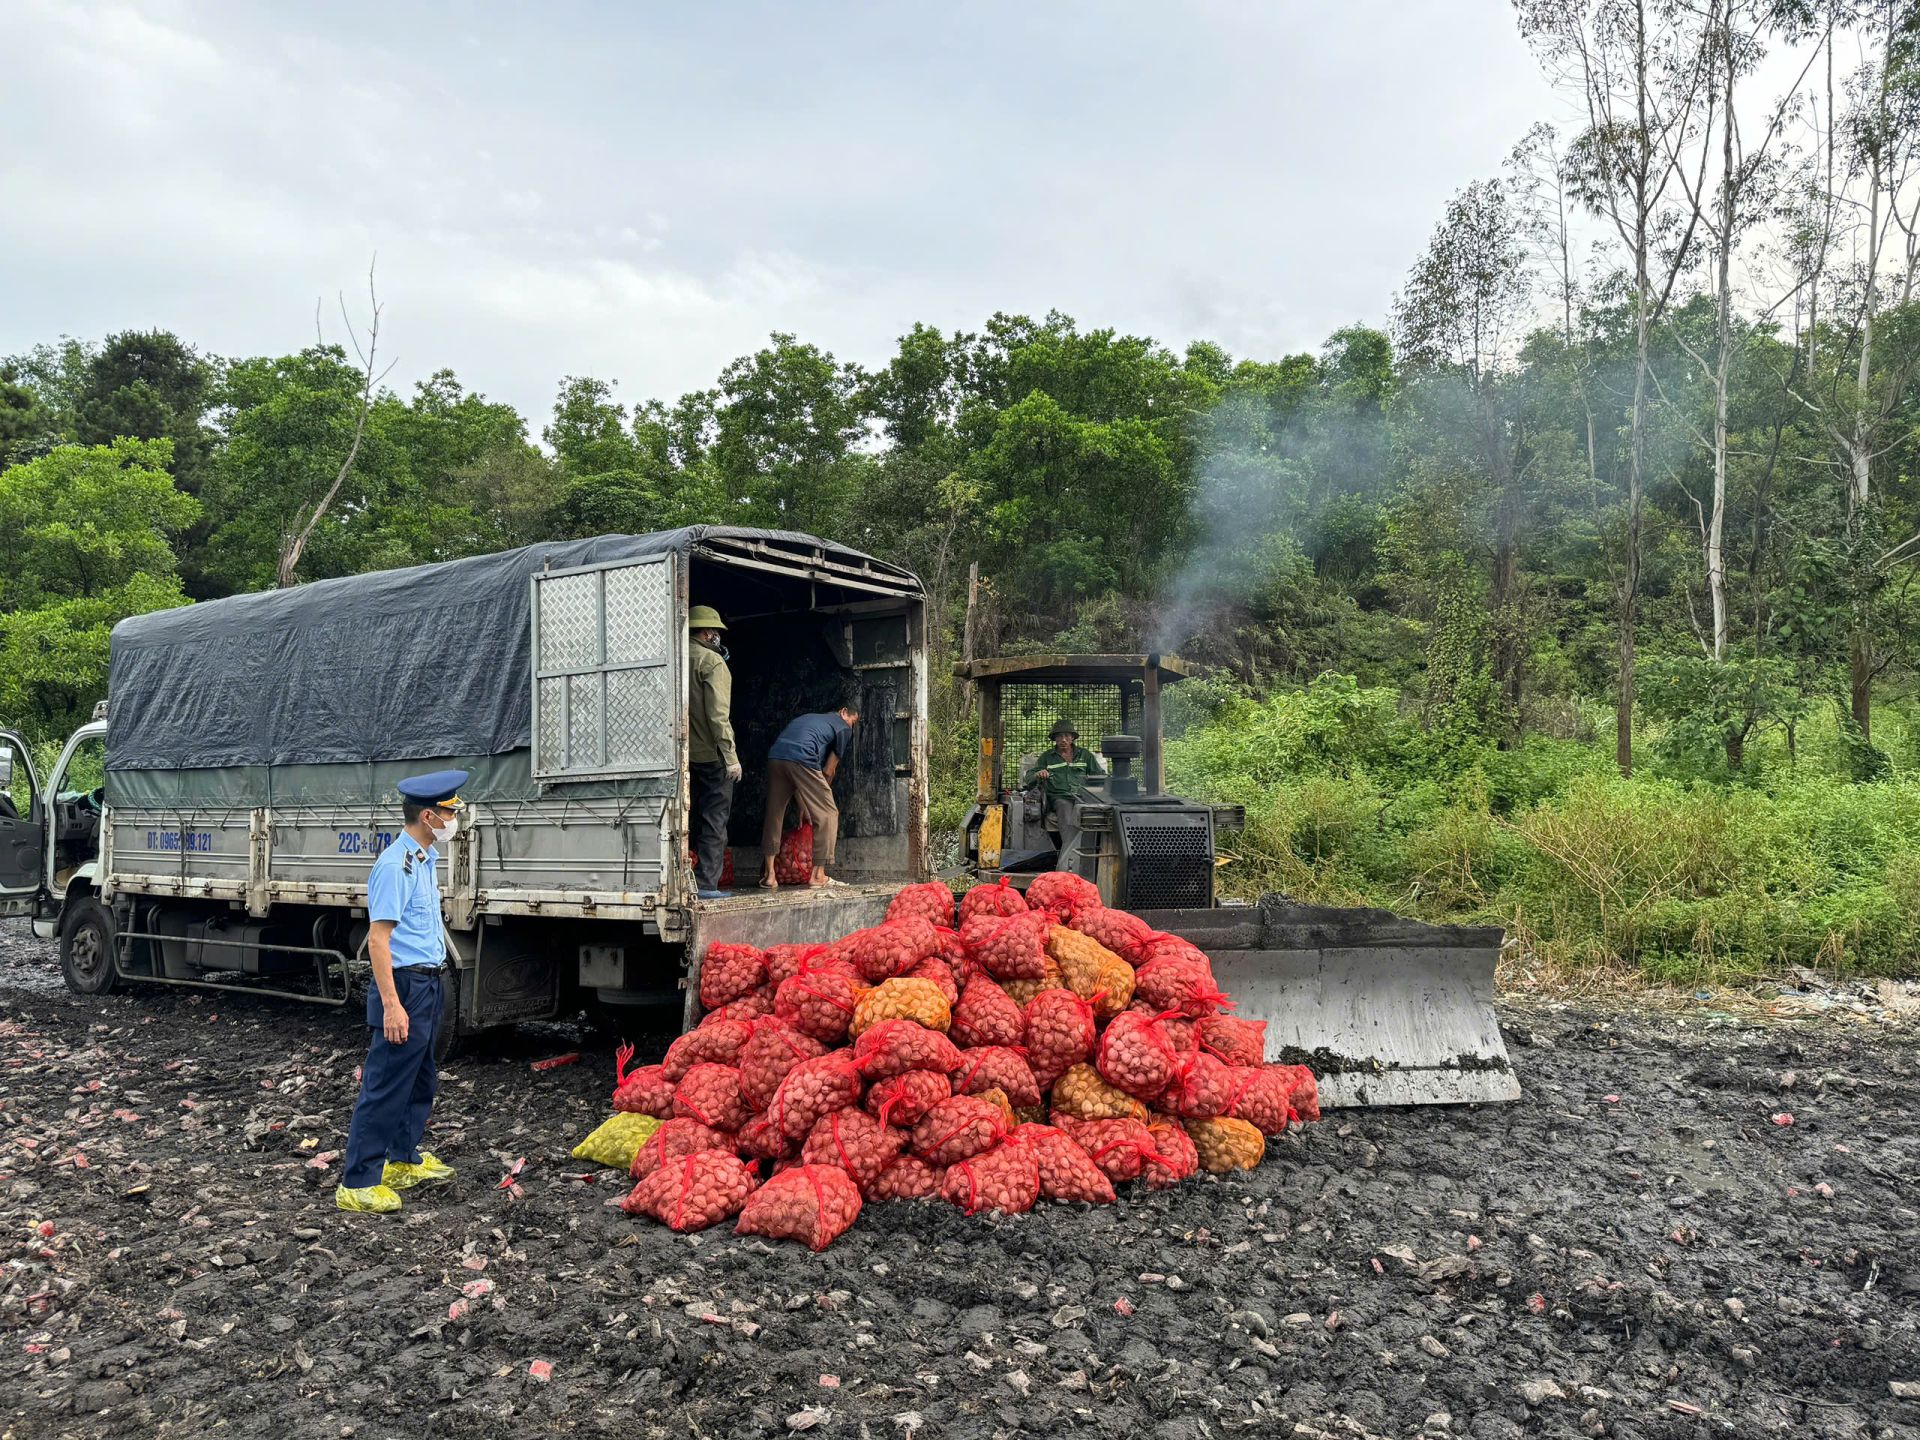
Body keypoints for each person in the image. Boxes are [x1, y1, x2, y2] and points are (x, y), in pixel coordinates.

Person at [336, 770, 467, 1215]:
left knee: (421, 1076)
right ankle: (358, 1180)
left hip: (428, 980)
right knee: (387, 1082)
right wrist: (392, 1005)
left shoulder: (424, 859)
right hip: (404, 985)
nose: (455, 819)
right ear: (428, 815)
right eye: (450, 812)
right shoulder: (396, 865)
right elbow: (379, 939)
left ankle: (402, 1158)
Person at [758, 698, 860, 889]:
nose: (851, 727)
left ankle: (769, 875)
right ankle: (818, 875)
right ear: (844, 712)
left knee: (774, 813)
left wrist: (806, 804)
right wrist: (819, 801)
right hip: (801, 757)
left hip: (776, 757)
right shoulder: (842, 727)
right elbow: (828, 770)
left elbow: (796, 777)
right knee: (829, 813)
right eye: (852, 721)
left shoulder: (810, 719)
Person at [686, 604, 741, 900]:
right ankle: (706, 883)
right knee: (714, 817)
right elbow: (718, 715)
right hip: (710, 754)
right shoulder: (711, 662)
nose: (718, 636)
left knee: (685, 815)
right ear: (707, 633)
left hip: (681, 755)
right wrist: (731, 758)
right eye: (716, 631)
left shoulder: (675, 659)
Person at [1022, 718, 1104, 800]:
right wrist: (1038, 774)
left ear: (1072, 737)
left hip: (1083, 797)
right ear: (1055, 738)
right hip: (1059, 798)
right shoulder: (1047, 757)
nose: (1063, 740)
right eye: (1059, 736)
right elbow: (1028, 777)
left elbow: (1100, 776)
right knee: (1065, 808)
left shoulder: (1085, 755)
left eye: (1067, 736)